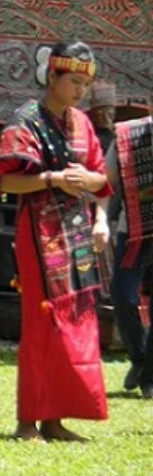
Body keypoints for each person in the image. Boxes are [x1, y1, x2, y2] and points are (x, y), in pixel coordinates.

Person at [0, 40, 111, 442]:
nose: (79, 90)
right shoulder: (26, 121)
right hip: (39, 234)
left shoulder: (82, 123)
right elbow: (6, 180)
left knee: (75, 321)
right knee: (42, 323)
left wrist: (89, 190)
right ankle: (28, 420)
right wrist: (50, 179)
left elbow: (100, 178)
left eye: (85, 83)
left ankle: (57, 419)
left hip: (76, 230)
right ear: (52, 77)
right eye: (73, 81)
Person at [104, 111, 153, 397]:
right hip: (132, 229)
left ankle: (149, 375)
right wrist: (100, 219)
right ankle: (138, 356)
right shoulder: (127, 136)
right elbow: (106, 181)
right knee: (123, 295)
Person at [88, 80, 117, 154]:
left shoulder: (118, 133)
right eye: (100, 113)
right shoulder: (94, 140)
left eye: (109, 111)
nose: (105, 117)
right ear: (93, 116)